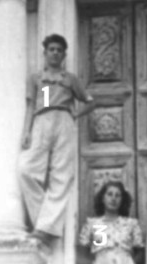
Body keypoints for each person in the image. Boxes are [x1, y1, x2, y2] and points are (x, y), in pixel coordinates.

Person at [19, 34, 95, 246]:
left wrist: (74, 116)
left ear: (64, 54)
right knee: (26, 169)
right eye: (51, 49)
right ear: (45, 53)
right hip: (42, 120)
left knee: (61, 174)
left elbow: (89, 102)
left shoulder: (69, 79)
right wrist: (27, 131)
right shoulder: (38, 78)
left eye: (59, 50)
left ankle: (44, 229)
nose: (55, 53)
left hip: (64, 120)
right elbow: (34, 105)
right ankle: (45, 222)